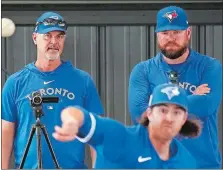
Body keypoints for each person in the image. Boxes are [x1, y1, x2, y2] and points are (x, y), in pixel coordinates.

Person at [2, 11, 104, 169]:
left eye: (59, 36)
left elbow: (95, 130)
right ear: (35, 38)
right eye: (47, 35)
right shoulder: (15, 83)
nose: (54, 41)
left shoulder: (82, 81)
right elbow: (6, 132)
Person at [128, 5, 222, 168]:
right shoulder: (143, 71)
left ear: (188, 33)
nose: (170, 38)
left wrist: (156, 104)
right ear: (157, 35)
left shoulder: (210, 67)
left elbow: (207, 105)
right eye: (165, 33)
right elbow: (139, 115)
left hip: (202, 165)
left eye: (176, 32)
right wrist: (192, 98)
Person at [53, 83, 202, 169]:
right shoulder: (119, 136)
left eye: (177, 113)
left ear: (184, 119)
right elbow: (77, 113)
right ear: (149, 113)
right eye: (163, 110)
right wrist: (72, 122)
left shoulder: (186, 161)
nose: (169, 118)